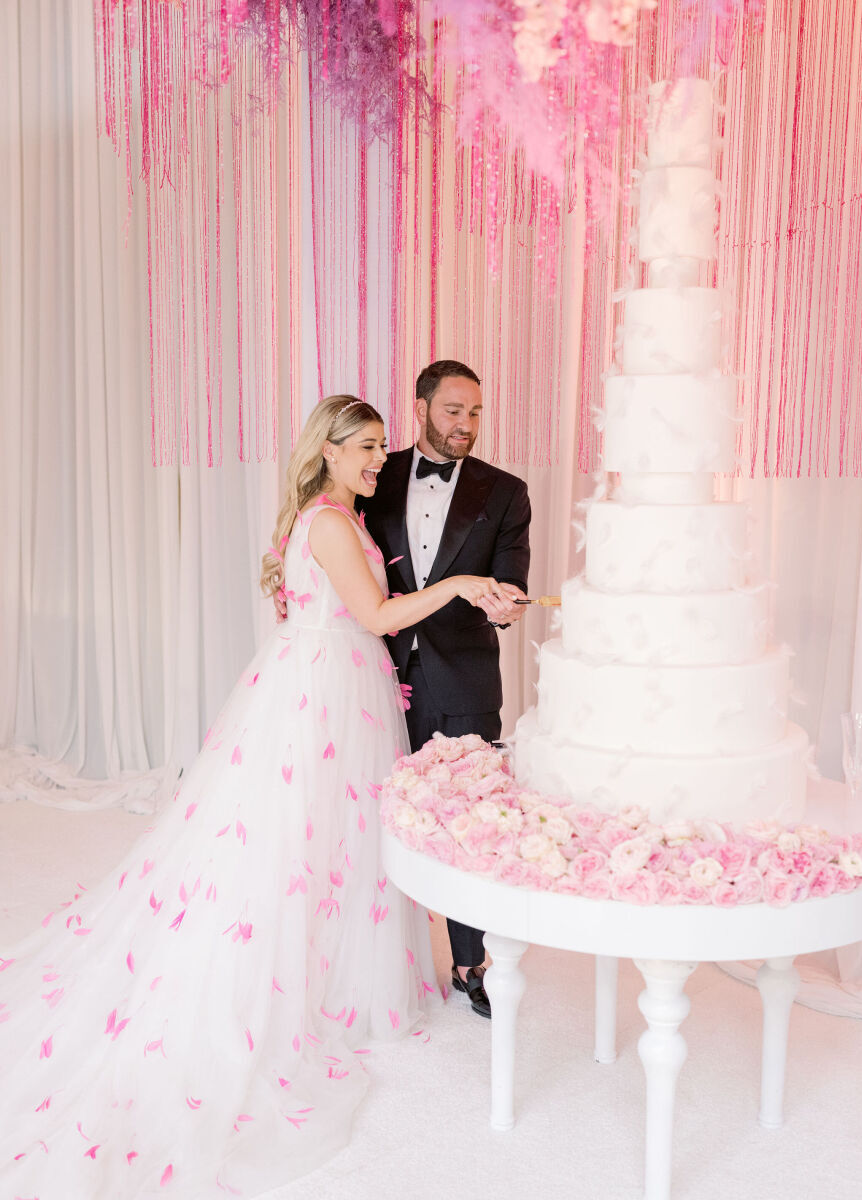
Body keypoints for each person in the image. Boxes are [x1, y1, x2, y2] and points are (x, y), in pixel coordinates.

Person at [0, 396, 505, 1199]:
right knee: (308, 842)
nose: (380, 459)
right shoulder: (334, 525)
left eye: (381, 447)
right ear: (331, 451)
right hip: (326, 695)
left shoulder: (329, 516)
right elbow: (373, 614)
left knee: (323, 843)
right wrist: (462, 584)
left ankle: (333, 962)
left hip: (327, 685)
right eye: (368, 448)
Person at [360, 360, 531, 1018]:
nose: (466, 425)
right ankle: (374, 953)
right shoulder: (374, 474)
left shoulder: (506, 492)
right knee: (368, 811)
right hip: (372, 674)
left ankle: (470, 962)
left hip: (464, 677)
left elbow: (509, 581)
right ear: (423, 406)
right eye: (455, 410)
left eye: (476, 413)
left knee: (470, 822)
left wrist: (504, 604)